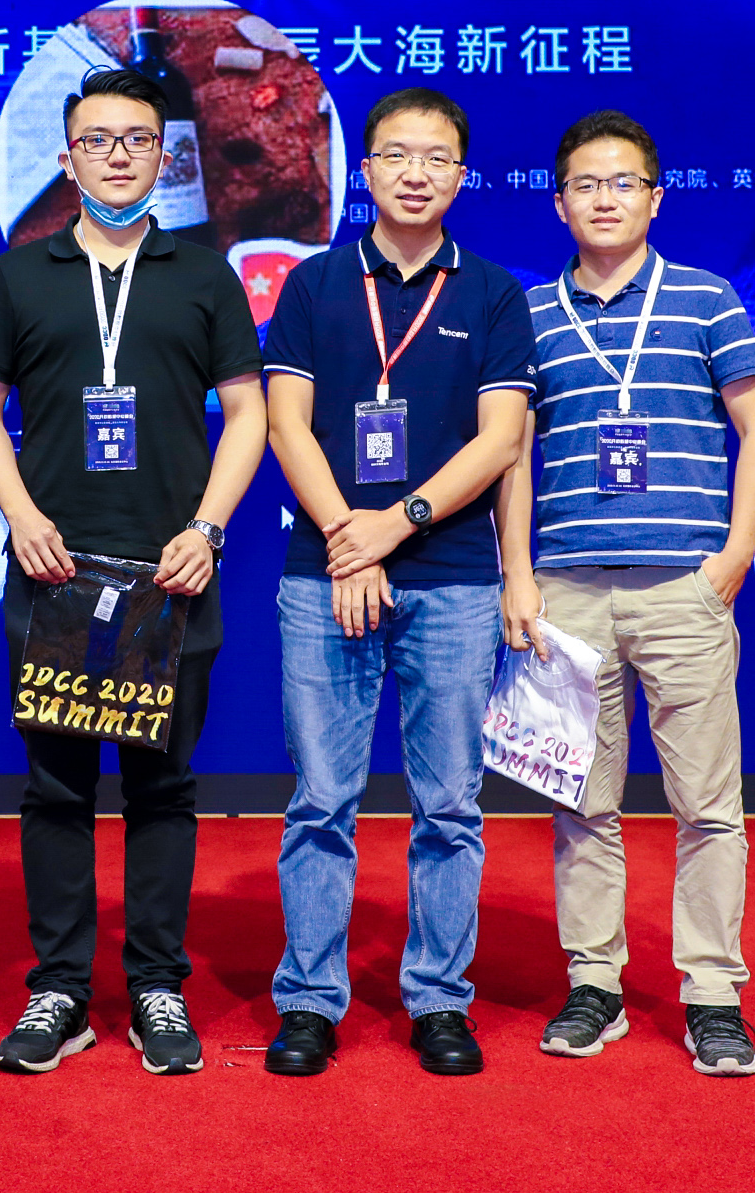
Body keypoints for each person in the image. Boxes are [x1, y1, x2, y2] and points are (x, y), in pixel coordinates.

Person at [0, 66, 267, 1078]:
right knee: (55, 786)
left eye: (138, 138)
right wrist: (19, 513)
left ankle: (155, 986)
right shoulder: (21, 275)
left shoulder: (204, 274)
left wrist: (208, 528)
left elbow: (249, 411)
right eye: (97, 139)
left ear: (165, 154)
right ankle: (59, 989)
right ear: (67, 158)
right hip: (54, 571)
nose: (119, 155)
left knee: (162, 785)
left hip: (172, 574)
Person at [259, 88, 537, 1078]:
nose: (415, 173)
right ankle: (308, 1000)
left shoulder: (492, 292)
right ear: (365, 170)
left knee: (449, 804)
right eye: (396, 155)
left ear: (461, 173)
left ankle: (438, 999)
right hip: (326, 574)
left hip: (453, 578)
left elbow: (501, 441)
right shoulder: (313, 285)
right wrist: (351, 537)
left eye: (436, 157)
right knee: (321, 800)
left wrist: (396, 523)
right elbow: (285, 423)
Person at [496, 108, 755, 1078]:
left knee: (709, 806)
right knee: (582, 804)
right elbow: (513, 453)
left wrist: (733, 556)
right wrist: (520, 573)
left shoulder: (706, 298)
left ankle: (712, 994)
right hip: (567, 592)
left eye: (623, 182)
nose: (605, 198)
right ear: (558, 203)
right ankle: (595, 982)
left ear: (656, 197)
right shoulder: (529, 314)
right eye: (586, 183)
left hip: (682, 590)